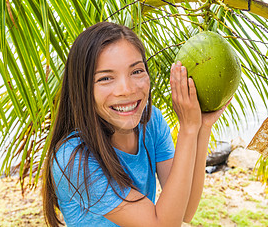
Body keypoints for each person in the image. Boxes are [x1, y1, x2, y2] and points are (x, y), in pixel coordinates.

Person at [42, 22, 229, 226]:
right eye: (105, 78)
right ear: (83, 88)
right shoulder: (73, 157)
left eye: (137, 71)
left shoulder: (152, 122)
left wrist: (202, 127)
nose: (127, 89)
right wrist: (188, 128)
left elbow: (185, 211)